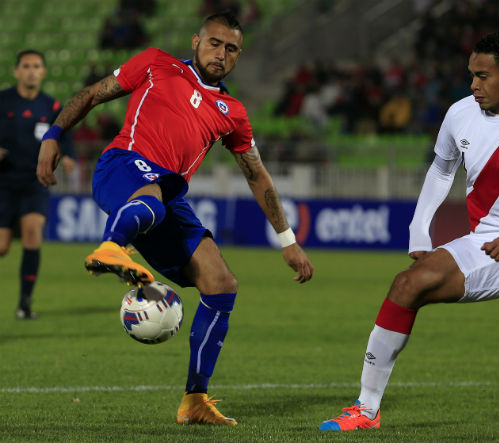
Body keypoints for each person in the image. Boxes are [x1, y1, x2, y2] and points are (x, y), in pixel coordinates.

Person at [319, 32, 499, 431]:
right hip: (487, 243)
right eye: (471, 75)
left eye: (482, 76)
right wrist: (419, 228)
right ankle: (366, 410)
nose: (473, 84)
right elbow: (441, 170)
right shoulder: (460, 114)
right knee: (405, 286)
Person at [37, 12, 314, 425]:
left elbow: (256, 174)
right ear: (196, 41)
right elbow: (93, 94)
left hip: (166, 193)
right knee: (154, 197)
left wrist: (287, 239)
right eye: (215, 43)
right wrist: (53, 136)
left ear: (239, 55)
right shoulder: (155, 63)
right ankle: (111, 247)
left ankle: (195, 399)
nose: (221, 54)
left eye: (231, 48)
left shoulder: (232, 112)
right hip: (122, 167)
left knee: (221, 283)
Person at [0, 49, 75, 320]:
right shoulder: (3, 101)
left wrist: (67, 156)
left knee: (33, 231)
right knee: (3, 247)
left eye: (36, 66)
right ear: (17, 71)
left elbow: (64, 136)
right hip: (4, 181)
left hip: (35, 180)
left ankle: (25, 303)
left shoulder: (52, 107)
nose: (32, 70)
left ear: (43, 72)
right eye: (26, 66)